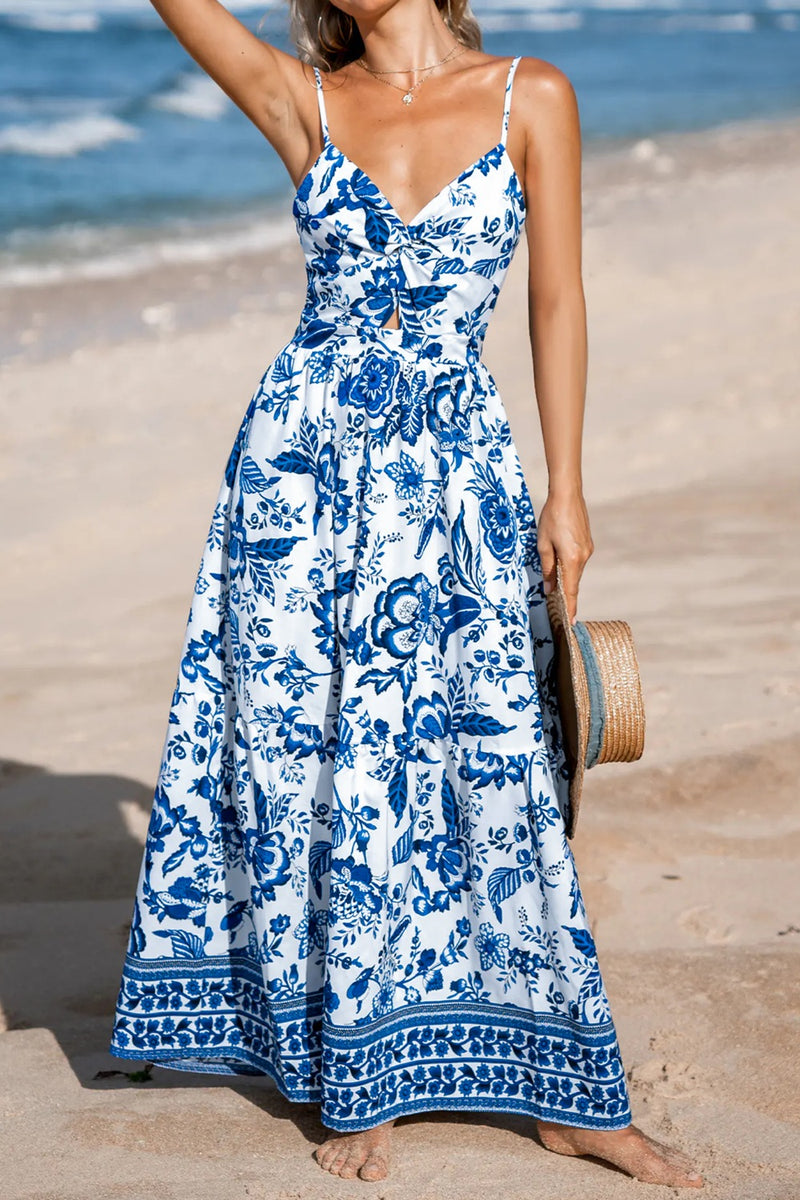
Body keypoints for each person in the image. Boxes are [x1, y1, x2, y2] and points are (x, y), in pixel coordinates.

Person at [109, 0, 704, 1188]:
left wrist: (567, 490)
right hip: (298, 479)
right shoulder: (302, 100)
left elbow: (554, 300)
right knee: (318, 759)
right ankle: (357, 1070)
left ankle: (565, 1092)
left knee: (489, 761)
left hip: (456, 472)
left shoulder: (531, 94)